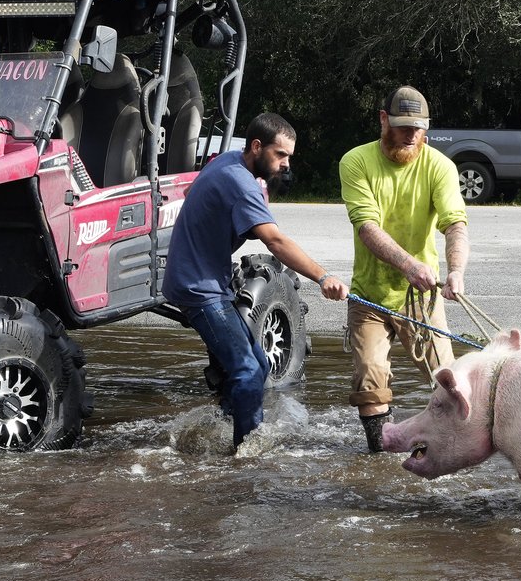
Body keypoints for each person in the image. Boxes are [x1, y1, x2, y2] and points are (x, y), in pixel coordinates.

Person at [163, 112, 349, 449]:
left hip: (203, 280)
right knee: (248, 371)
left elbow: (198, 193)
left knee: (259, 364)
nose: (285, 164)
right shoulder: (240, 181)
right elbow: (275, 242)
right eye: (280, 155)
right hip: (198, 288)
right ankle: (246, 454)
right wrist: (323, 277)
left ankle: (221, 426)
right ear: (257, 146)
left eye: (289, 156)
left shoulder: (229, 163)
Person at [340, 85, 470, 452]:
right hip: (369, 294)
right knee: (369, 381)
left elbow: (455, 225)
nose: (411, 135)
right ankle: (380, 456)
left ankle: (449, 453)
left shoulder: (440, 166)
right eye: (402, 127)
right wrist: (409, 263)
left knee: (449, 382)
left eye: (418, 127)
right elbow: (367, 227)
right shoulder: (356, 161)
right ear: (384, 120)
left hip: (423, 298)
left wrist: (456, 270)